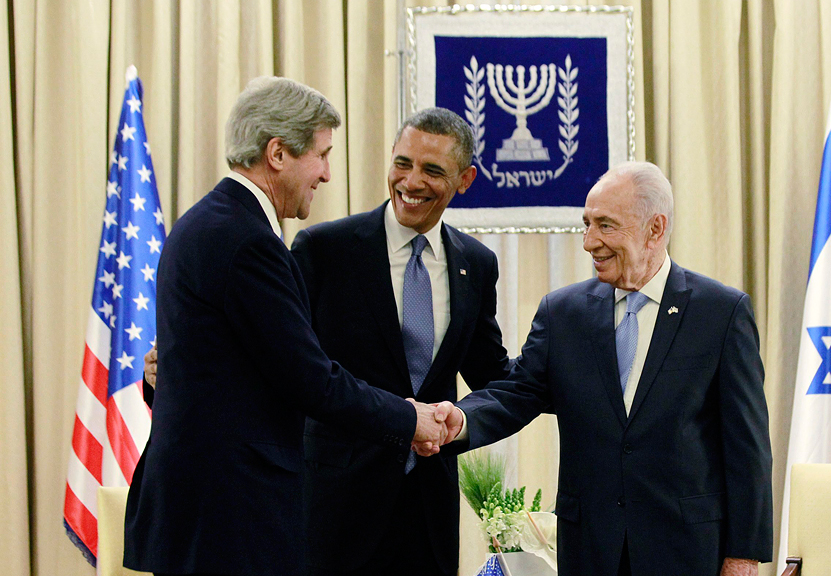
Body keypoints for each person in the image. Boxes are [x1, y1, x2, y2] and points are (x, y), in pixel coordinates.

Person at [123, 77, 450, 576]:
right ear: (278, 153)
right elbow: (311, 379)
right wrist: (410, 419)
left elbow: (207, 371)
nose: (325, 174)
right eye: (320, 155)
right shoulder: (245, 241)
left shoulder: (207, 222)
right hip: (230, 517)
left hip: (207, 510)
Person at [436, 162, 773, 576]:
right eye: (587, 224)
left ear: (655, 229)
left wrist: (744, 555)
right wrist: (462, 417)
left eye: (606, 226)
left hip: (686, 550)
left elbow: (747, 447)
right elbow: (517, 391)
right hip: (591, 549)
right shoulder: (563, 313)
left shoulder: (721, 313)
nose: (589, 241)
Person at [292, 107, 512, 576]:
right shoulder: (324, 250)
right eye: (403, 164)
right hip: (335, 508)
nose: (411, 182)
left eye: (433, 170)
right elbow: (293, 370)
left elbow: (492, 374)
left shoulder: (477, 263)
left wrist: (567, 368)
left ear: (466, 179)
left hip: (428, 511)